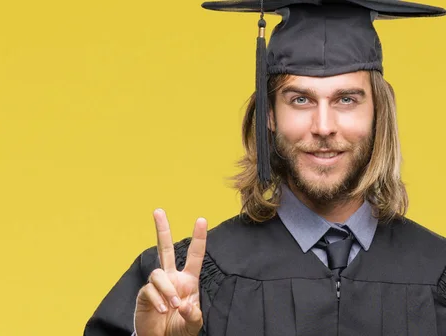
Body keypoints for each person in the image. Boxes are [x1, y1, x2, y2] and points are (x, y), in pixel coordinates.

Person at [84, 0, 446, 335]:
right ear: (270, 115)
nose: (323, 126)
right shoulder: (186, 281)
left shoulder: (437, 271)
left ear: (378, 112)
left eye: (346, 99)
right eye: (300, 99)